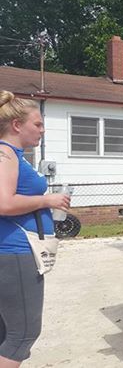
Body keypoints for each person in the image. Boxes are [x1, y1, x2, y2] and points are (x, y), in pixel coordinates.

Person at [0, 91, 70, 367]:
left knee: (7, 331)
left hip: (13, 251)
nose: (42, 130)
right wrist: (47, 199)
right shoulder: (5, 154)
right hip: (15, 252)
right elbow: (3, 203)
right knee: (23, 334)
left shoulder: (14, 154)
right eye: (37, 124)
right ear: (17, 125)